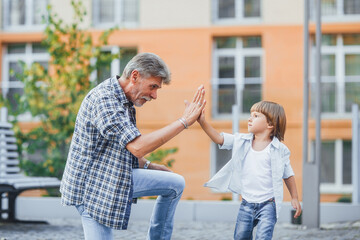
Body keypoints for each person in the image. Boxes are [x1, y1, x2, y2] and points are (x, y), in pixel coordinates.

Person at [60, 52, 206, 240]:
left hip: (112, 175)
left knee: (175, 183)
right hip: (93, 188)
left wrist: (149, 166)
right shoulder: (105, 101)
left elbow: (122, 148)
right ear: (135, 76)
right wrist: (184, 121)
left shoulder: (123, 99)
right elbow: (137, 146)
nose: (154, 95)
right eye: (153, 87)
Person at [198, 100, 301, 240]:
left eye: (256, 116)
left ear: (270, 124)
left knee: (263, 237)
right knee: (240, 237)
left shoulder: (279, 150)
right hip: (246, 203)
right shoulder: (241, 141)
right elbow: (219, 139)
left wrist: (294, 197)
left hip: (269, 205)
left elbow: (288, 174)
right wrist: (202, 122)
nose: (249, 118)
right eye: (250, 115)